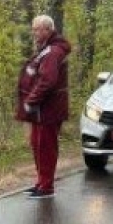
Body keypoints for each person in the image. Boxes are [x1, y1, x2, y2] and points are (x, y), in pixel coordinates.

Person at [16, 15, 71, 199]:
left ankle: (46, 187)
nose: (34, 33)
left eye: (37, 29)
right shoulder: (45, 50)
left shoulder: (53, 52)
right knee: (37, 146)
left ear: (47, 30)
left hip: (48, 110)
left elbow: (47, 81)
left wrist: (31, 100)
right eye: (33, 29)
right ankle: (41, 182)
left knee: (46, 148)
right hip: (40, 111)